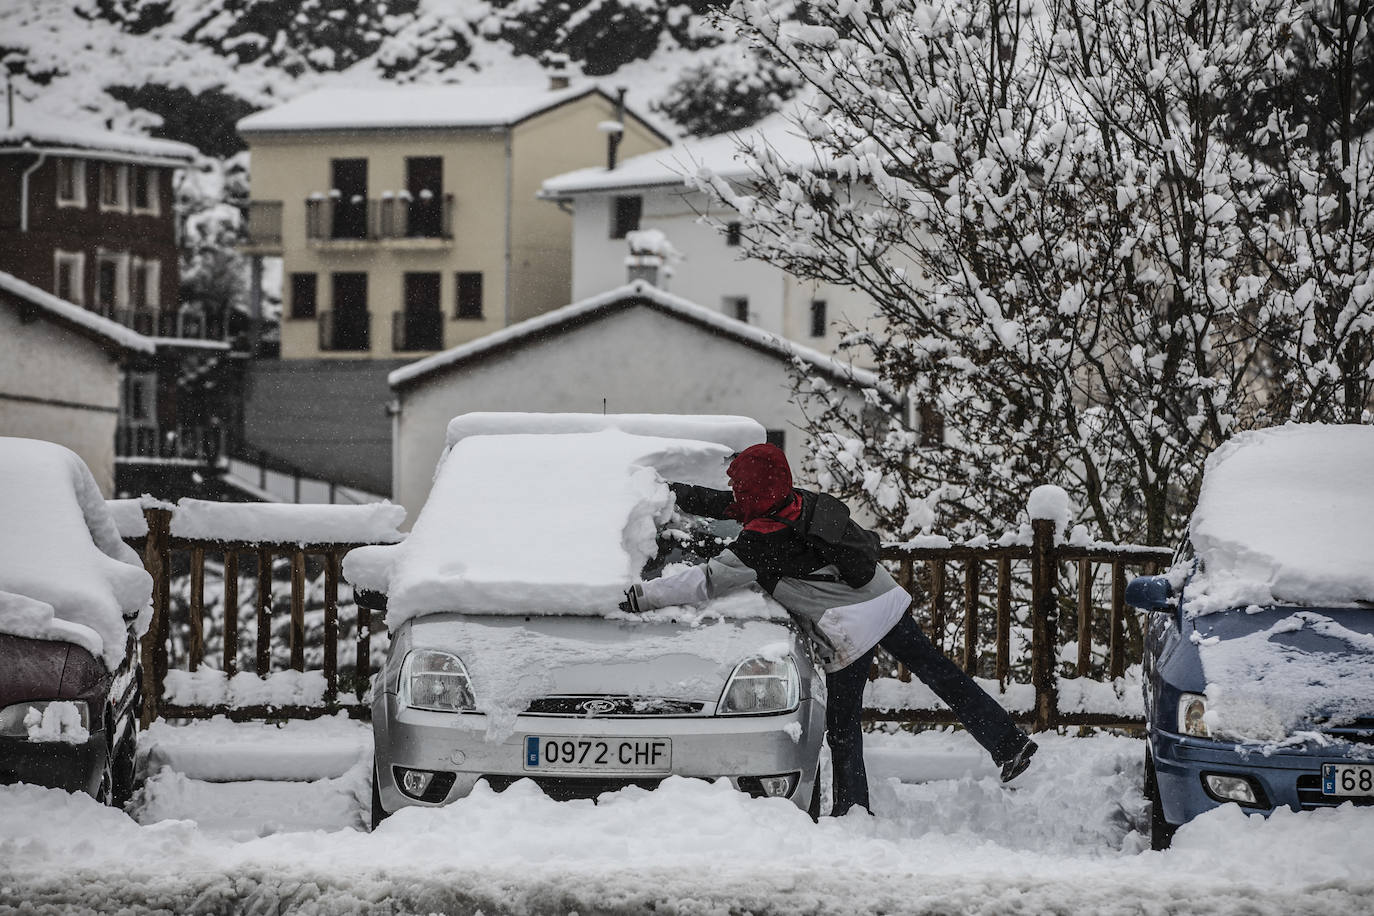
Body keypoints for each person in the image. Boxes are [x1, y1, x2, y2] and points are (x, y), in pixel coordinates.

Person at [621, 443, 1036, 816]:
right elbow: (721, 504)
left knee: (842, 725)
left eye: (742, 486)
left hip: (851, 627)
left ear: (754, 488)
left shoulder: (764, 537)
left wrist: (639, 596)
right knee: (945, 677)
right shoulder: (795, 502)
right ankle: (1009, 744)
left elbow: (705, 581)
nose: (737, 494)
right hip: (885, 599)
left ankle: (852, 808)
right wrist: (667, 490)